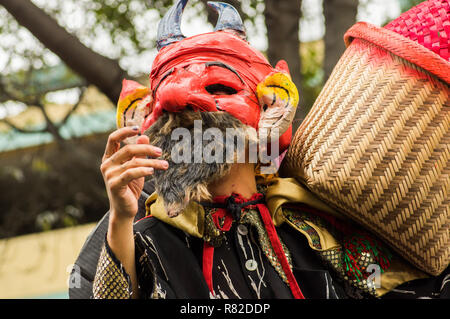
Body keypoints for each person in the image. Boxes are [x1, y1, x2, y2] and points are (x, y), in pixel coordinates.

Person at [71, 0, 449, 299]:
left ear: (271, 107)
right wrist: (121, 218)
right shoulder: (152, 241)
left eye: (219, 88)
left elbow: (382, 284)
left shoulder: (312, 228)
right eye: (167, 107)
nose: (177, 99)